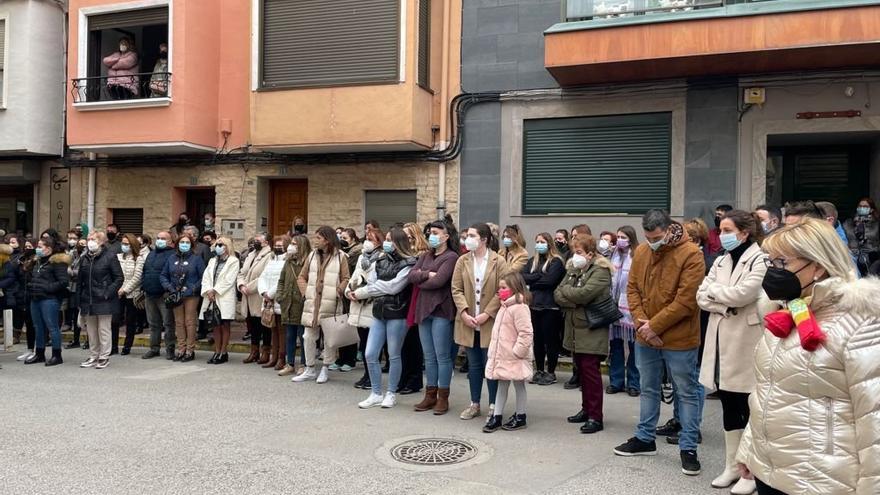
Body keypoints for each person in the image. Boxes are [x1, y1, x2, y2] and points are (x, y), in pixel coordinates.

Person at [736, 218, 879, 495]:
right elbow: (767, 391)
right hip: (772, 473)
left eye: (782, 263)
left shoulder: (861, 323)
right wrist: (750, 450)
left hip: (824, 481)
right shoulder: (785, 312)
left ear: (818, 266)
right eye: (770, 262)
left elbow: (874, 420)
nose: (773, 272)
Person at [614, 209, 706, 477]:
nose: (652, 241)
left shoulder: (691, 254)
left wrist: (654, 326)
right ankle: (645, 438)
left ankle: (688, 447)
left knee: (686, 391)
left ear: (668, 230)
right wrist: (643, 322)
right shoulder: (642, 251)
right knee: (648, 388)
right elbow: (632, 290)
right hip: (645, 335)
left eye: (656, 236)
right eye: (647, 236)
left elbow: (686, 300)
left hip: (679, 338)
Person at [696, 210, 767, 494]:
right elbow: (701, 295)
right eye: (721, 229)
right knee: (728, 402)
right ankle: (731, 466)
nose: (721, 234)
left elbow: (745, 294)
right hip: (721, 336)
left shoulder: (760, 259)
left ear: (744, 232)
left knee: (747, 404)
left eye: (727, 229)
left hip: (745, 339)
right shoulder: (722, 260)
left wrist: (718, 294)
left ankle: (750, 470)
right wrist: (724, 301)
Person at [555, 234, 614, 434]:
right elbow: (558, 292)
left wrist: (570, 296)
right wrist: (574, 298)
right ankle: (586, 409)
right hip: (575, 328)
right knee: (581, 370)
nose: (575, 256)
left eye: (579, 252)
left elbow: (584, 294)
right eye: (574, 252)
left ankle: (596, 417)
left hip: (591, 329)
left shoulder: (601, 271)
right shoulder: (573, 268)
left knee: (591, 373)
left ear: (590, 253)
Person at [356, 228, 417, 409]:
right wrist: (375, 288)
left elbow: (394, 287)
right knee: (370, 353)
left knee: (394, 353)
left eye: (390, 239)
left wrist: (367, 291)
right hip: (379, 312)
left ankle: (391, 393)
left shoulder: (409, 262)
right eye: (386, 239)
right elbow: (373, 282)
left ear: (399, 242)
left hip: (398, 313)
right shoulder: (380, 261)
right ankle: (375, 393)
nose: (387, 243)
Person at [452, 223, 507, 420]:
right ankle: (475, 403)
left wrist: (487, 314)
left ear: (484, 239)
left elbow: (503, 290)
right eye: (467, 235)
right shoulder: (462, 260)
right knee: (474, 365)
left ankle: (494, 405)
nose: (468, 239)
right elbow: (456, 289)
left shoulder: (498, 261)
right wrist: (464, 312)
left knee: (489, 364)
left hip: (489, 322)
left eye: (472, 235)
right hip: (468, 321)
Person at [408, 220, 460, 414]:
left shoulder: (451, 257)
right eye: (430, 232)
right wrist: (426, 274)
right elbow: (411, 276)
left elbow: (439, 281)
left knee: (442, 356)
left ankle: (443, 398)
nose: (432, 235)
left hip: (441, 310)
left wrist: (424, 277)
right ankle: (430, 395)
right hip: (423, 309)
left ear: (446, 236)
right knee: (428, 356)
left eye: (436, 232)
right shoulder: (425, 255)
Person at [292, 226, 350, 384]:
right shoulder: (311, 256)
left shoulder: (341, 257)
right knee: (308, 336)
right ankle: (310, 369)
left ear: (327, 239)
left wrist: (338, 291)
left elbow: (346, 278)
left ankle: (325, 368)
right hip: (312, 304)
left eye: (318, 238)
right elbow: (301, 277)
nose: (315, 241)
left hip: (331, 303)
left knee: (330, 338)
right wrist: (306, 293)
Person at [483, 272, 534, 432]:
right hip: (503, 356)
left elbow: (526, 333)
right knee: (502, 385)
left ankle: (521, 416)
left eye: (504, 287)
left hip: (513, 356)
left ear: (514, 288)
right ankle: (497, 416)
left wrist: (517, 352)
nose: (500, 291)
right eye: (500, 288)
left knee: (519, 385)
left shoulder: (520, 308)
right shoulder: (504, 306)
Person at [521, 232, 566, 386]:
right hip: (534, 305)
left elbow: (550, 281)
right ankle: (539, 369)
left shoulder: (556, 262)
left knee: (551, 340)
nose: (539, 244)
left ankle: (551, 371)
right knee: (537, 340)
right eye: (537, 241)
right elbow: (522, 276)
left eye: (542, 241)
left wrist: (533, 280)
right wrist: (538, 277)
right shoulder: (533, 261)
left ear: (549, 243)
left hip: (550, 306)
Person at [78, 231, 124, 369]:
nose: (89, 241)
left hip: (104, 299)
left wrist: (107, 293)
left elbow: (119, 278)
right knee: (91, 330)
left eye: (93, 239)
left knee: (103, 329)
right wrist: (79, 300)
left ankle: (104, 356)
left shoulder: (110, 257)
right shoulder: (85, 258)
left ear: (101, 242)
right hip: (88, 298)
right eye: (88, 239)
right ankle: (94, 355)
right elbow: (80, 280)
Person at [24, 238, 70, 366]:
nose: (37, 249)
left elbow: (63, 282)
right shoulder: (38, 261)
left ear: (49, 249)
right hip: (35, 298)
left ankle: (57, 355)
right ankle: (39, 353)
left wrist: (48, 288)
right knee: (38, 327)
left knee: (52, 327)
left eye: (40, 246)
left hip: (49, 299)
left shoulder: (57, 263)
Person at [160, 231, 205, 362]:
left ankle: (190, 350)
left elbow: (203, 277)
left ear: (191, 244)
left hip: (191, 295)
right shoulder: (171, 258)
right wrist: (170, 288)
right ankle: (181, 349)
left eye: (187, 242)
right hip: (175, 294)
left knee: (189, 322)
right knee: (179, 322)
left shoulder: (196, 259)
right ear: (177, 244)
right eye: (182, 242)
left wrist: (192, 288)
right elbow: (163, 275)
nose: (184, 244)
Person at [606, 226, 641, 397]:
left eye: (623, 237)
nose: (620, 240)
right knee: (616, 345)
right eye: (618, 236)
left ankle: (634, 382)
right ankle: (616, 381)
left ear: (631, 239)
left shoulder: (637, 255)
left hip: (631, 306)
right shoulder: (613, 254)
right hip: (614, 304)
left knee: (634, 346)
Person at [346, 228, 382, 388]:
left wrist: (359, 293)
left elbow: (376, 283)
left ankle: (372, 377)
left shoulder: (382, 258)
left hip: (370, 305)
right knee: (363, 341)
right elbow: (354, 276)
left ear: (379, 242)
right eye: (366, 238)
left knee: (371, 345)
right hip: (357, 303)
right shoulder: (361, 257)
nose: (367, 242)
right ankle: (366, 374)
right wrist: (349, 290)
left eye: (372, 239)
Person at [200, 236, 240, 365]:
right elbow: (206, 277)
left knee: (224, 325)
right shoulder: (212, 260)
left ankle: (223, 352)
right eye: (217, 244)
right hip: (211, 296)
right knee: (215, 326)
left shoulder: (233, 261)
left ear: (227, 246)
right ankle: (216, 351)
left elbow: (229, 280)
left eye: (221, 244)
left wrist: (215, 291)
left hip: (224, 296)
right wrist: (208, 290)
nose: (218, 247)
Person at [276, 234, 311, 377]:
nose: (291, 246)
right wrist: (280, 295)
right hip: (288, 303)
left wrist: (307, 297)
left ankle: (303, 364)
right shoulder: (288, 262)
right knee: (289, 335)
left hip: (301, 303)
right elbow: (282, 280)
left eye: (294, 244)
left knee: (303, 335)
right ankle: (290, 363)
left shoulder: (308, 262)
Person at [399, 222, 428, 395]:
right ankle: (403, 378)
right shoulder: (402, 253)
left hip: (415, 301)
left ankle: (414, 380)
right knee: (402, 344)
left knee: (413, 343)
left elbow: (415, 277)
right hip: (402, 301)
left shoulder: (421, 255)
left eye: (408, 236)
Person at [237, 232, 273, 364]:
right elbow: (242, 272)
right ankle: (254, 351)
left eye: (258, 240)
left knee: (263, 324)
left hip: (258, 294)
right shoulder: (250, 254)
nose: (255, 242)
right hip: (246, 294)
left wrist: (249, 288)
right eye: (255, 239)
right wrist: (241, 285)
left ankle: (266, 352)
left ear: (266, 242)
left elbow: (264, 275)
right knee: (252, 324)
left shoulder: (269, 255)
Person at [141, 231, 177, 359]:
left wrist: (169, 290)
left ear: (169, 241)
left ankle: (170, 349)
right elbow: (145, 271)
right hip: (150, 294)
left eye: (163, 238)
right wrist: (143, 286)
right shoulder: (151, 254)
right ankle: (154, 348)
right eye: (158, 238)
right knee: (153, 324)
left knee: (168, 324)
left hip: (164, 294)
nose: (159, 240)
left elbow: (172, 274)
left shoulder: (173, 255)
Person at [257, 236, 289, 370]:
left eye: (281, 245)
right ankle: (273, 357)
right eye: (276, 245)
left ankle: (282, 358)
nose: (277, 248)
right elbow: (262, 277)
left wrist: (270, 294)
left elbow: (280, 282)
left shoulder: (287, 262)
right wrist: (263, 292)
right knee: (273, 331)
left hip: (279, 300)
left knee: (282, 332)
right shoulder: (271, 260)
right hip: (268, 300)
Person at [335, 228, 363, 371]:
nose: (342, 239)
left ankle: (350, 359)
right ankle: (341, 358)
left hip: (350, 292)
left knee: (349, 326)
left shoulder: (356, 253)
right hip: (341, 293)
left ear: (352, 239)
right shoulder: (340, 252)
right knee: (340, 326)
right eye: (340, 236)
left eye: (345, 237)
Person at [117, 234, 145, 355]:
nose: (124, 246)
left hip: (132, 293)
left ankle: (127, 346)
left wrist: (125, 289)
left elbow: (137, 277)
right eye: (123, 243)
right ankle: (113, 346)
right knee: (114, 320)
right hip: (117, 291)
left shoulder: (139, 258)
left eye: (127, 244)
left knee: (130, 321)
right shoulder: (117, 257)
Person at [843, 197, 879, 276]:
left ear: (871, 209)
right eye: (860, 206)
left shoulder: (876, 224)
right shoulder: (848, 223)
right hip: (852, 259)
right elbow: (842, 239)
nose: (862, 208)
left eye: (865, 207)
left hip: (871, 260)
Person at [65, 237, 88, 350]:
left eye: (84, 244)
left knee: (86, 315)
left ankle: (89, 340)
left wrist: (72, 272)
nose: (81, 245)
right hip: (72, 287)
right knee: (74, 314)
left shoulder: (87, 256)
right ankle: (76, 339)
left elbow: (84, 271)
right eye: (80, 243)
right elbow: (66, 266)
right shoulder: (71, 254)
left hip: (83, 287)